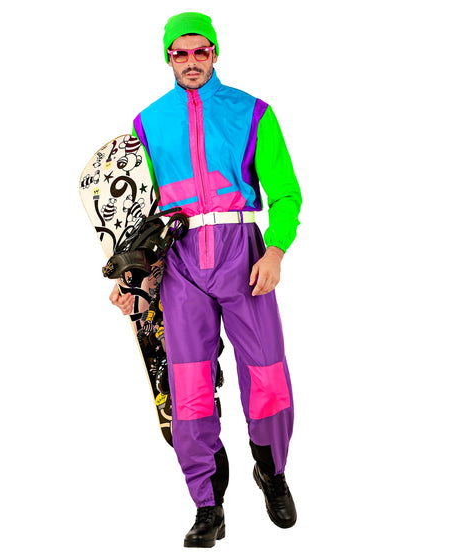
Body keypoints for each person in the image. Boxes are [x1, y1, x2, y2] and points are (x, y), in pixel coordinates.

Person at [109, 12, 302, 548]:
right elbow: (139, 212)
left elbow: (286, 192)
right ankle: (207, 504)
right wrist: (132, 278)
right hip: (179, 261)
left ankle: (272, 471)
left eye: (201, 51)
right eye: (181, 53)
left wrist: (276, 250)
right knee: (189, 384)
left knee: (266, 373)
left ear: (215, 52)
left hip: (244, 254)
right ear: (168, 57)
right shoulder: (147, 123)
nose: (191, 61)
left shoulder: (252, 111)